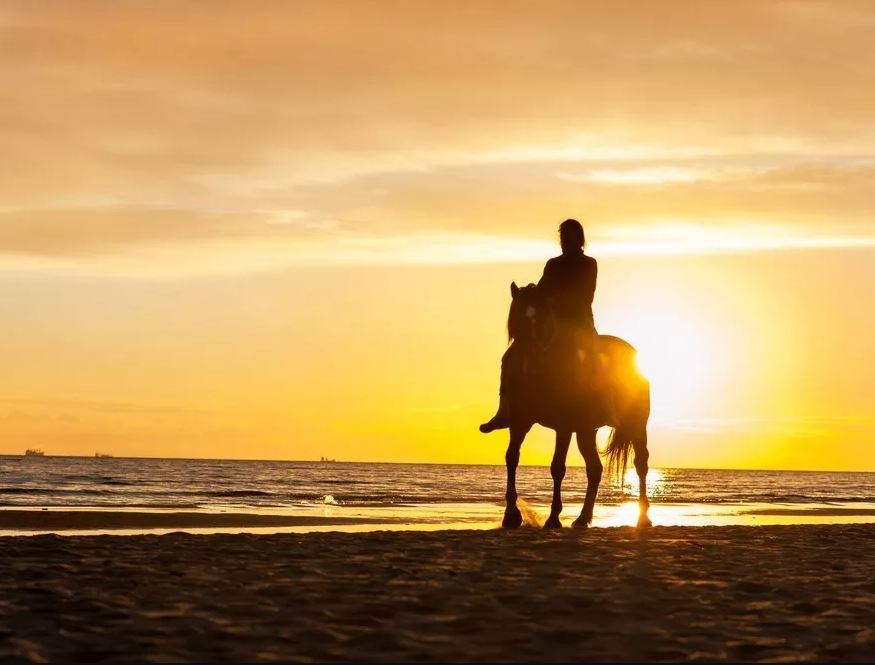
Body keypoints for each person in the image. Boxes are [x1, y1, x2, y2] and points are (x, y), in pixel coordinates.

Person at [480, 219, 600, 433]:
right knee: (510, 357)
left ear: (578, 238)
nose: (565, 240)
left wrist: (557, 300)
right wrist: (525, 294)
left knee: (593, 353)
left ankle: (604, 403)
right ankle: (504, 411)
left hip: (580, 322)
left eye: (569, 236)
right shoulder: (553, 264)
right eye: (563, 236)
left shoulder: (589, 264)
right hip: (552, 324)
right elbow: (541, 290)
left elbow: (586, 296)